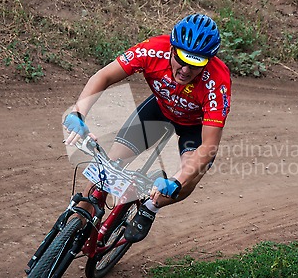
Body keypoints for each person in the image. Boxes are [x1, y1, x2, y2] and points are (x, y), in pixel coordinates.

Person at [63, 13, 231, 243]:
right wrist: (78, 112)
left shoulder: (217, 82)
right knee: (109, 164)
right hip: (159, 111)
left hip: (195, 126)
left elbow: (209, 145)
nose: (185, 70)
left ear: (208, 61)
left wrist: (177, 180)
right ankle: (78, 221)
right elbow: (104, 76)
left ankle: (150, 207)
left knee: (190, 176)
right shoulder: (153, 50)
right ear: (171, 49)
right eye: (181, 59)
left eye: (195, 64)